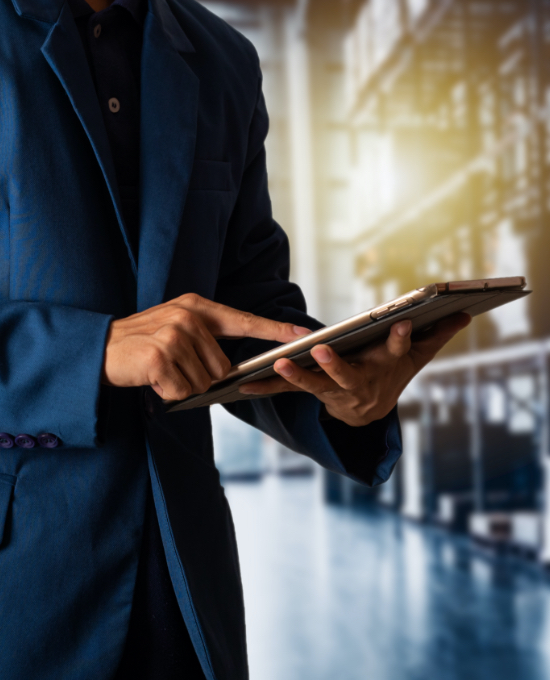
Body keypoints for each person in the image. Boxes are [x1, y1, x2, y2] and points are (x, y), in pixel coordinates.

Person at [0, 0, 470, 677]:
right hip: (23, 588)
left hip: (183, 587)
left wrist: (341, 392)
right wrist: (90, 353)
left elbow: (243, 301)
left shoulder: (223, 59)